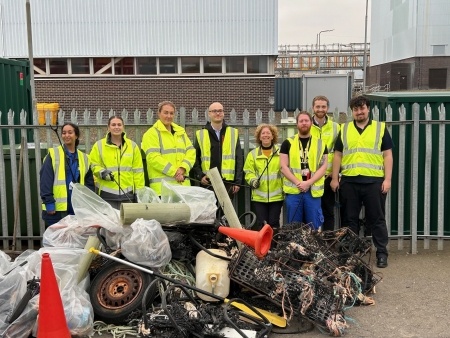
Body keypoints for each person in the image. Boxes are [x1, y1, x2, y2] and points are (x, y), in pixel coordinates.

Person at [330, 95, 393, 268]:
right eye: (356, 109)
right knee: (349, 219)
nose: (359, 112)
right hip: (349, 182)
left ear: (368, 109)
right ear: (353, 111)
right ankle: (349, 253)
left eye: (362, 108)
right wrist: (335, 178)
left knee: (377, 219)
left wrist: (387, 179)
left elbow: (387, 155)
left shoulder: (379, 128)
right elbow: (337, 155)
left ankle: (382, 253)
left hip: (374, 182)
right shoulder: (344, 129)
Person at [280, 111, 328, 230]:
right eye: (301, 121)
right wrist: (298, 183)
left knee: (313, 226)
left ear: (311, 123)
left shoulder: (321, 143)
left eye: (306, 120)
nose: (304, 123)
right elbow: (283, 167)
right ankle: (295, 248)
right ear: (297, 124)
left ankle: (314, 249)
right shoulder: (287, 143)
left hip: (312, 191)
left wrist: (308, 183)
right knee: (294, 227)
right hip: (294, 190)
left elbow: (323, 168)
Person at [40, 122, 95, 227]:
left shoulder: (85, 158)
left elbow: (89, 185)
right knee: (56, 241)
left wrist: (89, 204)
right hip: (57, 209)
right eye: (64, 133)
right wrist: (49, 203)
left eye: (70, 132)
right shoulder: (53, 154)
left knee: (75, 240)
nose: (66, 135)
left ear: (76, 135)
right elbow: (45, 181)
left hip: (77, 208)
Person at [141, 101, 196, 196]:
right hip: (162, 190)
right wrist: (175, 172)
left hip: (183, 188)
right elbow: (153, 158)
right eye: (165, 112)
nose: (169, 116)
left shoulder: (181, 132)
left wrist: (183, 168)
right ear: (159, 113)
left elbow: (191, 152)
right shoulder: (151, 134)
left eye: (171, 113)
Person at [89, 116, 145, 209]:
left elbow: (138, 172)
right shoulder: (99, 145)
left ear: (123, 127)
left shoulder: (132, 146)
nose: (116, 127)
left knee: (127, 223)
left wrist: (139, 193)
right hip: (106, 195)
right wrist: (102, 172)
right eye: (113, 125)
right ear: (108, 127)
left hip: (128, 195)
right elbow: (93, 164)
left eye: (119, 124)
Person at [192, 102, 243, 197]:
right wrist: (200, 176)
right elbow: (194, 158)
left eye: (220, 111)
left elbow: (239, 158)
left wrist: (238, 181)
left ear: (223, 113)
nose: (218, 113)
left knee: (226, 211)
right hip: (208, 181)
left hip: (227, 182)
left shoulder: (233, 132)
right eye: (214, 111)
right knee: (210, 211)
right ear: (209, 114)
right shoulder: (201, 134)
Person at [244, 124, 283, 231]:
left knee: (274, 224)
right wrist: (252, 180)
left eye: (268, 133)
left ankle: (274, 247)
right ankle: (262, 248)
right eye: (263, 133)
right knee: (262, 224)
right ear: (259, 137)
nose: (266, 135)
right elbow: (248, 171)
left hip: (277, 197)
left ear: (273, 136)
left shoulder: (281, 153)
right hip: (259, 197)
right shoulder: (252, 154)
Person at [310, 95, 340, 231]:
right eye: (318, 106)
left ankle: (329, 244)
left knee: (328, 211)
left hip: (328, 177)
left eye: (323, 106)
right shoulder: (306, 125)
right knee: (311, 212)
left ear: (327, 108)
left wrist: (335, 175)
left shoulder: (336, 127)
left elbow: (340, 153)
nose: (320, 109)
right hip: (310, 178)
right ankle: (312, 243)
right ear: (313, 108)